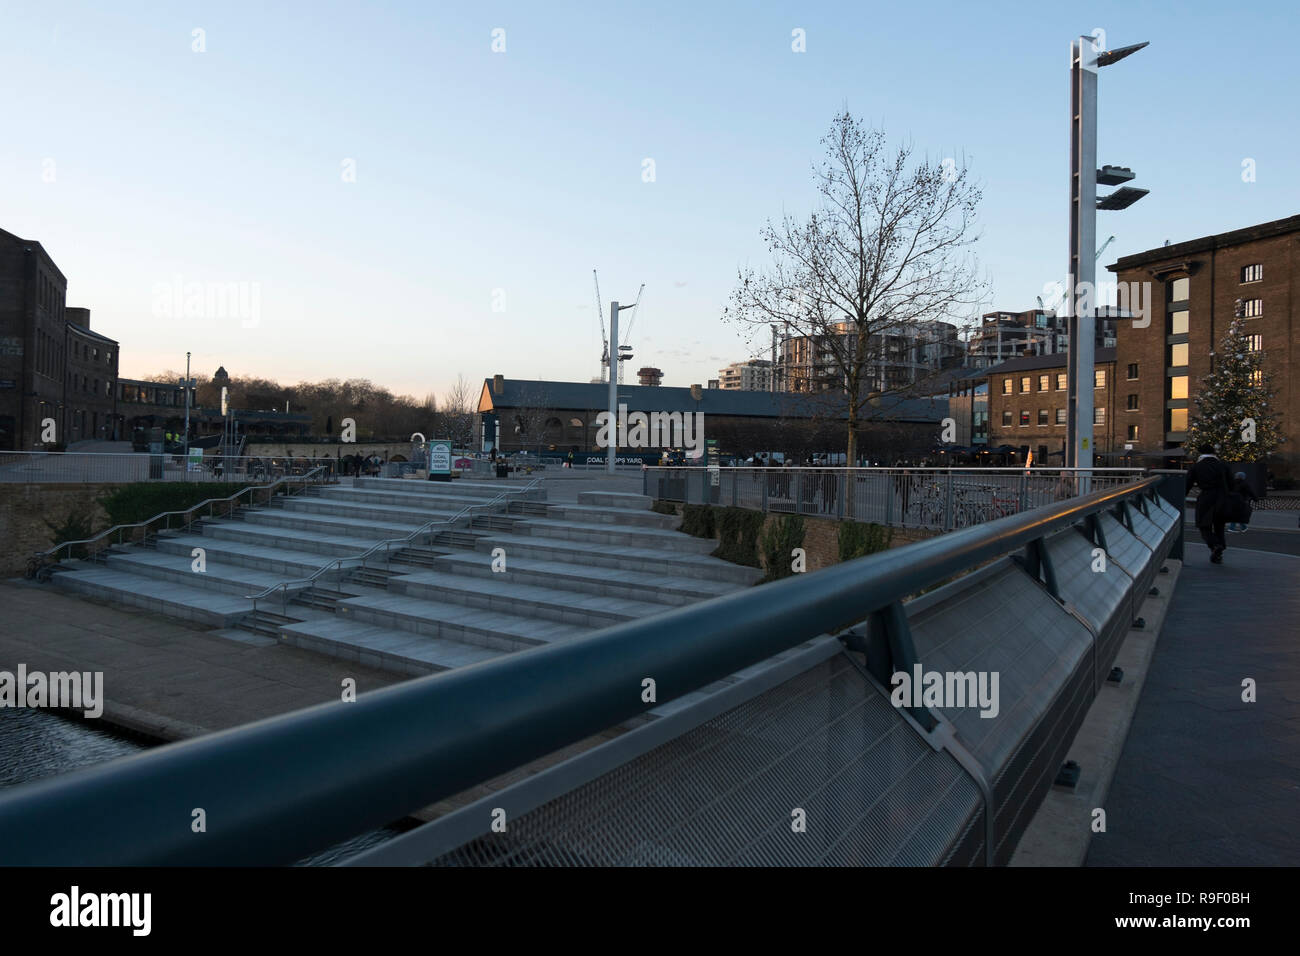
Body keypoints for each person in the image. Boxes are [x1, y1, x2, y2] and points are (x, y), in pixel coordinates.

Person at [1185, 443, 1233, 563]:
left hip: (1206, 497)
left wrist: (1181, 496)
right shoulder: (1223, 465)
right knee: (1219, 525)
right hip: (1222, 497)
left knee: (1203, 525)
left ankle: (1214, 545)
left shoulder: (1197, 466)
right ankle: (1219, 550)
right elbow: (1231, 483)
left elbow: (1187, 484)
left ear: (1200, 453)